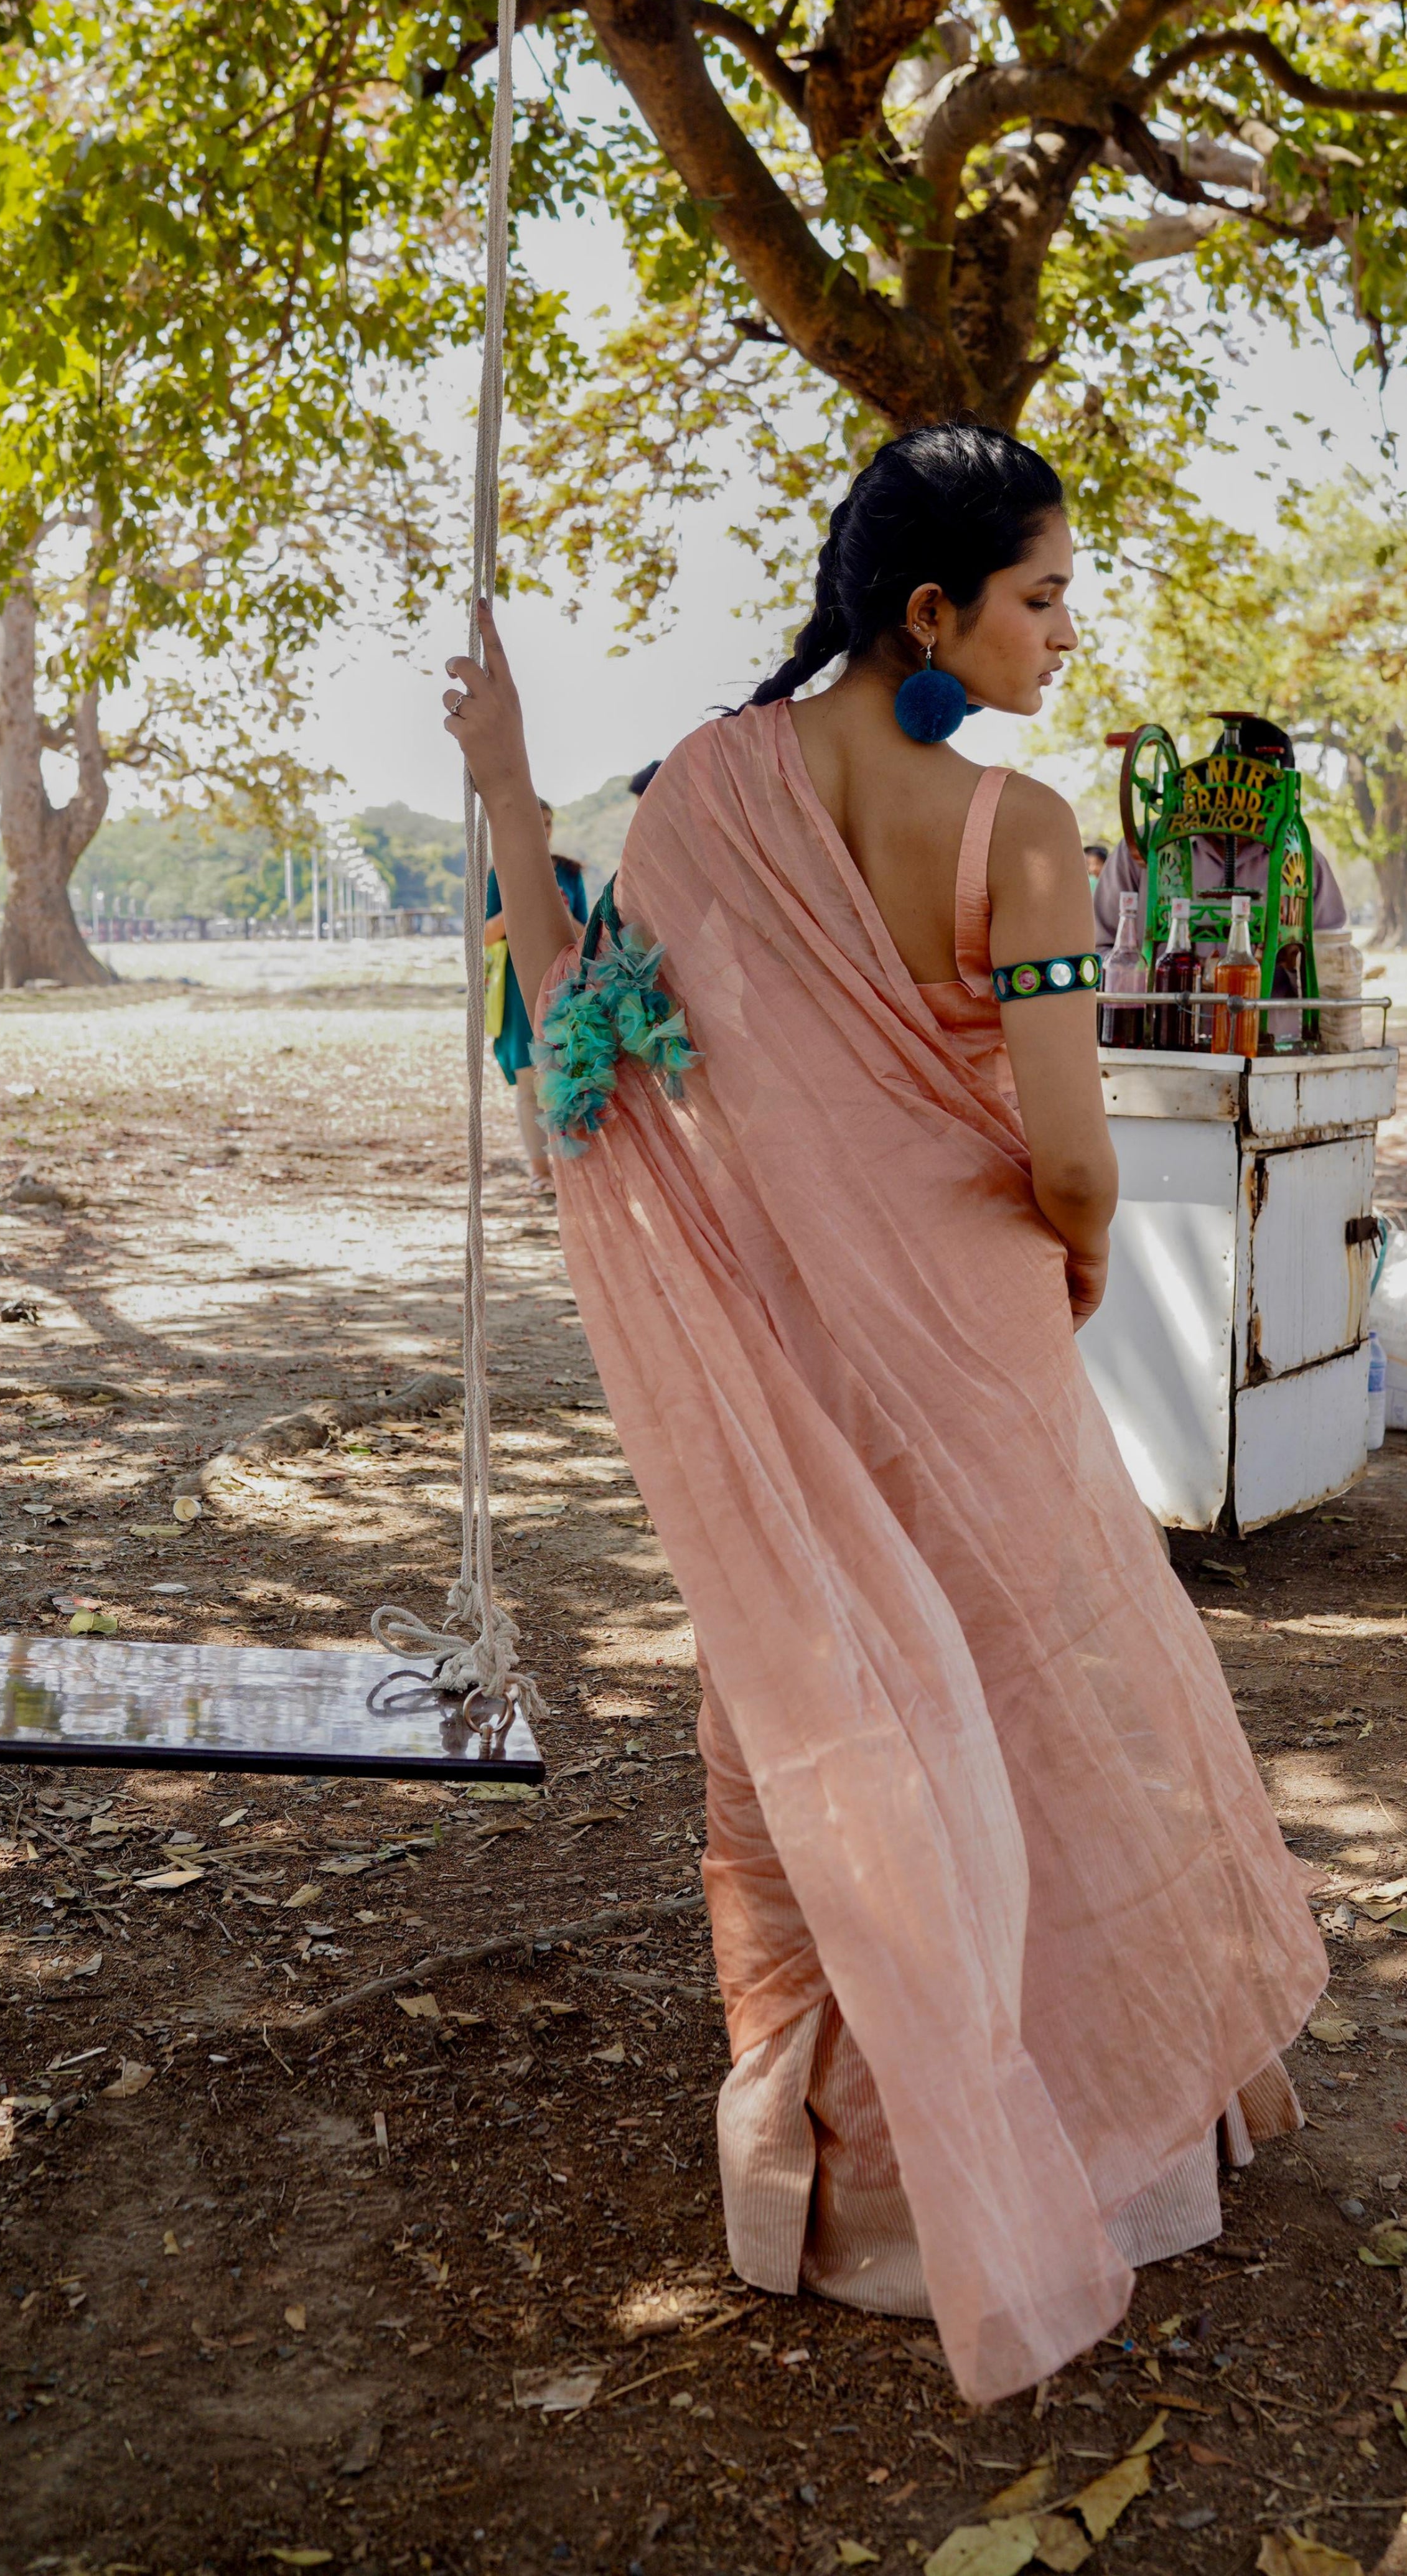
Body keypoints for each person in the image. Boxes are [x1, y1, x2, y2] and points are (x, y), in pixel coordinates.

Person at [442, 425, 1325, 2406]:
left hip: (796, 1349)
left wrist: (509, 796)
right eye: (1038, 599)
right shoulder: (1014, 834)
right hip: (977, 1334)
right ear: (929, 613)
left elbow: (584, 1030)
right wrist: (1080, 1263)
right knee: (1038, 1694)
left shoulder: (705, 791)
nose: (1064, 635)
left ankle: (855, 2182)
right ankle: (1081, 2143)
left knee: (828, 1716)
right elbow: (1075, 1164)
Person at [1091, 716, 1347, 953]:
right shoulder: (1144, 848)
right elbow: (1098, 948)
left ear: (1280, 800)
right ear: (1207, 778)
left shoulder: (1303, 862)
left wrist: (1291, 958)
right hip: (1158, 1002)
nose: (1237, 813)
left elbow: (1331, 963)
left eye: (1255, 801)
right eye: (1231, 792)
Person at [483, 796, 586, 1193]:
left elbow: (588, 933)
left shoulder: (571, 873)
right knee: (529, 1081)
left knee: (565, 1074)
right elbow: (485, 936)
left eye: (548, 824)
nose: (542, 831)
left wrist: (557, 907)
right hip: (514, 988)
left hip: (564, 982)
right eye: (535, 823)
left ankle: (570, 1168)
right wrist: (521, 898)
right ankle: (539, 1170)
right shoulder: (498, 875)